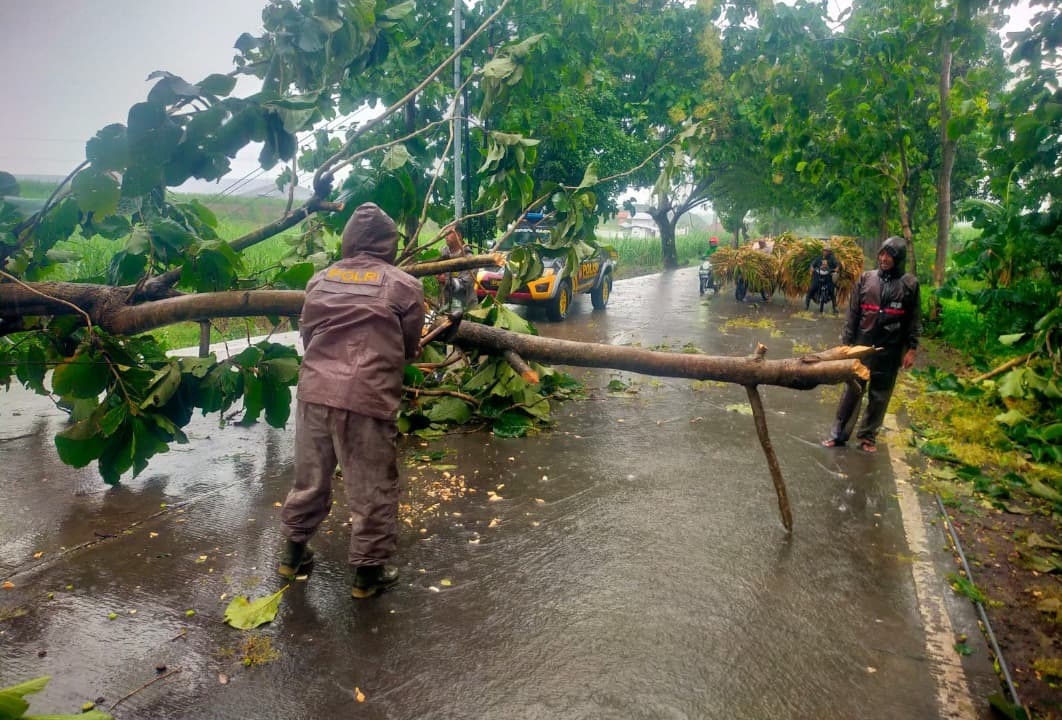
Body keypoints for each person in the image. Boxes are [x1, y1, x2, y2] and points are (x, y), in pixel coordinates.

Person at [277, 203, 426, 599]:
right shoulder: (405, 286)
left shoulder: (320, 280)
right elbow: (410, 348)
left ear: (348, 241)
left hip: (314, 391)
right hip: (366, 398)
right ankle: (366, 576)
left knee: (310, 478)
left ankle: (291, 555)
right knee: (372, 486)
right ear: (388, 244)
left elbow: (308, 335)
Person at [822, 236, 920, 453]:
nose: (884, 259)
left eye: (889, 255)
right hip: (861, 346)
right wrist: (845, 344)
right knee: (852, 391)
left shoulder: (909, 284)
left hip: (890, 349)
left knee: (879, 395)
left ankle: (868, 436)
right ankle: (838, 435)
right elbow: (853, 314)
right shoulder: (866, 279)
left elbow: (913, 319)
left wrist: (911, 348)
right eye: (882, 254)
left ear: (899, 258)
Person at [435, 222, 478, 311]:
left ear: (459, 236)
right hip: (446, 306)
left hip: (465, 308)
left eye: (449, 233)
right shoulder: (442, 253)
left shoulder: (469, 258)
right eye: (445, 233)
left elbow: (466, 284)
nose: (445, 236)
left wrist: (446, 280)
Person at [805, 245, 839, 312]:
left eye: (827, 251)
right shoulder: (819, 258)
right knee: (811, 289)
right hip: (818, 276)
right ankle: (806, 305)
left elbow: (837, 264)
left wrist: (836, 268)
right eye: (824, 250)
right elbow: (813, 263)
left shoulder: (832, 259)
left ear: (829, 252)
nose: (825, 252)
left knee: (832, 291)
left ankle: (835, 307)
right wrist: (812, 267)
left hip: (828, 276)